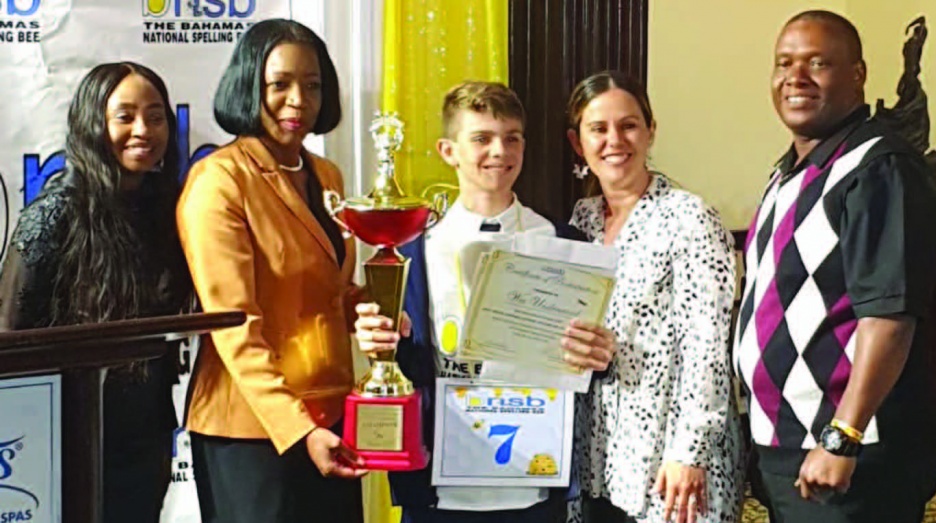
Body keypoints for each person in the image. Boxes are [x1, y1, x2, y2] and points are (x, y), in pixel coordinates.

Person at [353, 80, 617, 523]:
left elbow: (590, 363)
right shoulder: (410, 251)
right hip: (438, 488)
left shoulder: (564, 242)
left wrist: (598, 354)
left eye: (512, 137)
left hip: (535, 482)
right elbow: (401, 359)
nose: (500, 150)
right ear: (448, 150)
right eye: (481, 138)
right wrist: (378, 342)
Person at [732, 10, 936, 523]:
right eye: (784, 63)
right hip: (789, 445)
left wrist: (843, 434)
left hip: (852, 455)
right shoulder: (787, 174)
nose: (795, 77)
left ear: (857, 74)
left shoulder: (878, 166)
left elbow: (889, 316)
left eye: (818, 62)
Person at [176, 18, 366, 523]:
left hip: (332, 414)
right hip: (252, 431)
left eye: (313, 85)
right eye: (279, 84)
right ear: (248, 85)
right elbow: (232, 325)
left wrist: (371, 310)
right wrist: (297, 427)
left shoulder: (327, 175)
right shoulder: (219, 180)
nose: (298, 100)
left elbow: (327, 290)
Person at [0, 62, 191, 522]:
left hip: (145, 434)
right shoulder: (54, 215)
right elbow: (8, 335)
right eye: (124, 116)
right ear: (92, 124)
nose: (143, 130)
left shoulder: (171, 210)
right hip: (61, 437)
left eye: (156, 116)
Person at [565, 71, 744, 523]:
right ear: (577, 142)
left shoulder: (688, 216)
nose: (614, 140)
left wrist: (690, 451)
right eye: (598, 129)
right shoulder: (580, 222)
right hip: (598, 453)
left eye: (628, 125)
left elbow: (707, 347)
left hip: (671, 459)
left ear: (650, 131)